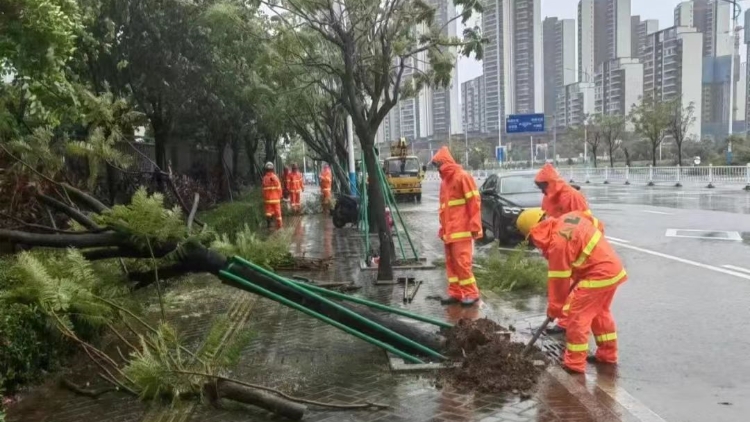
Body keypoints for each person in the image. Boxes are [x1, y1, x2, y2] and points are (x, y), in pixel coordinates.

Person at [516, 208, 627, 374]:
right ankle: (607, 354)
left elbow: (559, 281)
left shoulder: (557, 245)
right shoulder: (570, 218)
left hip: (598, 274)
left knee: (577, 316)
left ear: (535, 231)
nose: (534, 244)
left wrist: (555, 308)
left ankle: (574, 364)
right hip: (612, 268)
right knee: (599, 312)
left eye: (532, 239)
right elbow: (596, 224)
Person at [534, 163, 604, 335]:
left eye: (544, 187)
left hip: (575, 246)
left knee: (571, 286)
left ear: (551, 183)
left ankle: (565, 322)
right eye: (541, 188)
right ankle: (564, 319)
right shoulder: (548, 197)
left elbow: (584, 220)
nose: (542, 191)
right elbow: (547, 219)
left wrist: (566, 240)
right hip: (560, 246)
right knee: (564, 283)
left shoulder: (572, 196)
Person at [431, 147, 482, 306]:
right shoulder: (445, 182)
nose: (437, 169)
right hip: (450, 231)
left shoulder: (462, 177)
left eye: (438, 165)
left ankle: (471, 293)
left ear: (444, 163)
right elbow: (444, 209)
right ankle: (456, 292)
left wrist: (475, 225)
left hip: (462, 230)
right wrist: (443, 228)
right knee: (452, 264)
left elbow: (474, 202)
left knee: (462, 262)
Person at [262, 162, 283, 229]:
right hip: (276, 199)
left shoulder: (264, 178)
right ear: (272, 169)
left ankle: (269, 224)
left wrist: (264, 197)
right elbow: (279, 188)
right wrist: (280, 196)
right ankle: (279, 226)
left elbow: (263, 190)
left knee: (268, 212)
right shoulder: (275, 177)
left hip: (268, 200)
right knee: (278, 213)